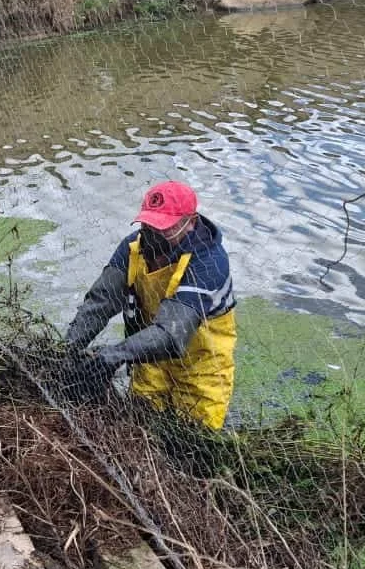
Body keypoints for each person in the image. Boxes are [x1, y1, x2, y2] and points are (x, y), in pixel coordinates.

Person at [63, 181, 236, 430]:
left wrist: (114, 355)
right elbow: (101, 301)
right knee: (140, 424)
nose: (152, 233)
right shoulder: (133, 247)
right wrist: (68, 348)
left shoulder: (209, 263)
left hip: (201, 366)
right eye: (149, 224)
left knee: (192, 437)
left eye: (163, 227)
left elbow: (171, 334)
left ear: (191, 221)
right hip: (148, 354)